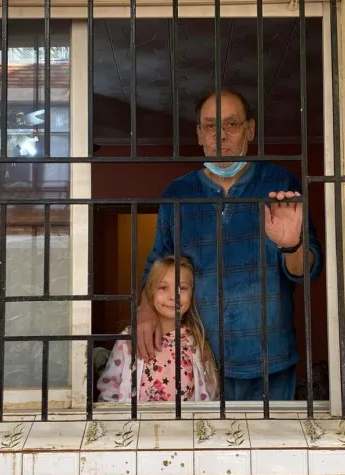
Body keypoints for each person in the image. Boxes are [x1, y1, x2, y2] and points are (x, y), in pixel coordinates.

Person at [135, 88, 323, 401]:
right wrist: (144, 310)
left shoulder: (280, 184)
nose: (220, 135)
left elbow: (307, 271)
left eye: (231, 125)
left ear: (250, 129)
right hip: (194, 355)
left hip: (268, 358)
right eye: (210, 126)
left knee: (264, 447)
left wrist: (292, 246)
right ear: (198, 134)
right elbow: (158, 262)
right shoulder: (178, 193)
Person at [97, 256, 218, 402]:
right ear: (150, 292)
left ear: (192, 294)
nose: (173, 296)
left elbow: (212, 394)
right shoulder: (128, 339)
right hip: (139, 424)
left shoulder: (196, 342)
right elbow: (109, 389)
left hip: (183, 424)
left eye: (183, 288)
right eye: (163, 287)